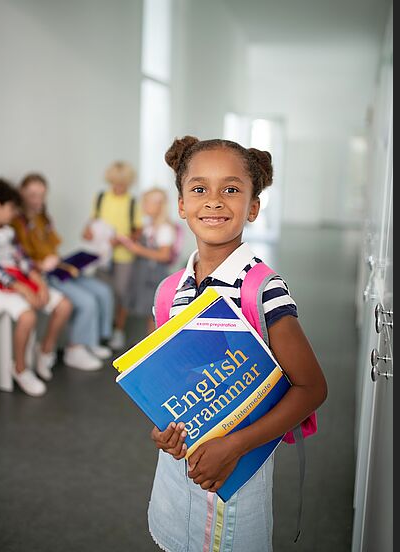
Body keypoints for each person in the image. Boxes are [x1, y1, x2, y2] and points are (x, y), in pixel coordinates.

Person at [147, 137, 327, 552]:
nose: (213, 201)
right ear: (181, 205)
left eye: (230, 189)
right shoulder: (168, 291)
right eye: (198, 189)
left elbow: (312, 388)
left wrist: (233, 445)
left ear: (252, 207)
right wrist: (161, 431)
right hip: (175, 472)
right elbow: (164, 380)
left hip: (239, 468)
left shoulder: (263, 291)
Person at [12, 174, 113, 371]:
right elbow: (19, 258)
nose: (37, 200)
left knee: (102, 290)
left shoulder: (43, 217)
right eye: (32, 195)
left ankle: (90, 341)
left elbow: (52, 245)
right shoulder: (16, 223)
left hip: (57, 267)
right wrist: (41, 264)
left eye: (41, 195)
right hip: (42, 274)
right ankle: (75, 349)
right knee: (87, 300)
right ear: (22, 193)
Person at [0, 179, 72, 396]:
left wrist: (38, 283)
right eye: (10, 209)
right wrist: (23, 289)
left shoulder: (9, 231)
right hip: (2, 286)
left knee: (63, 305)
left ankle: (44, 352)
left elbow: (24, 261)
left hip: (22, 279)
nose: (13, 214)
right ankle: (20, 368)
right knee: (28, 317)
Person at [82, 161, 142, 350]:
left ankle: (118, 330)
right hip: (101, 255)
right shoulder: (101, 198)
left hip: (123, 256)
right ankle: (101, 331)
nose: (118, 187)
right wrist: (87, 231)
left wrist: (122, 240)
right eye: (115, 183)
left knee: (121, 294)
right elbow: (93, 220)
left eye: (122, 184)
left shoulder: (132, 202)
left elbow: (138, 229)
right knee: (102, 292)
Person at [117, 187, 177, 335]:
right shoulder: (148, 226)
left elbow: (164, 255)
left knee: (153, 309)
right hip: (141, 273)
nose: (143, 206)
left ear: (159, 206)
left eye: (146, 203)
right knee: (132, 302)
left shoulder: (165, 229)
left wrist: (137, 250)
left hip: (153, 276)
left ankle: (152, 342)